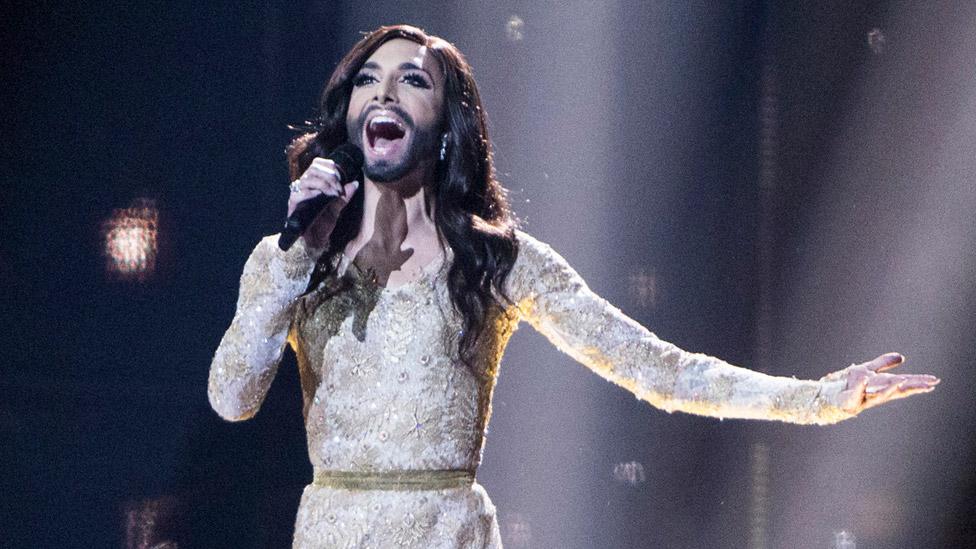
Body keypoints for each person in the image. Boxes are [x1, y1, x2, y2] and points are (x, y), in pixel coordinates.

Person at [207, 24, 940, 548]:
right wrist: (297, 248)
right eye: (368, 78)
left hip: (447, 531)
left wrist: (819, 398)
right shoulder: (294, 259)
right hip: (335, 530)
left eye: (413, 79)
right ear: (351, 115)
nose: (385, 91)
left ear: (445, 125)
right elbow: (231, 397)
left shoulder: (498, 263)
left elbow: (660, 369)